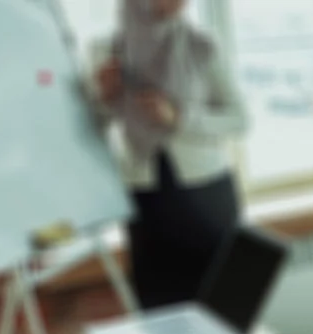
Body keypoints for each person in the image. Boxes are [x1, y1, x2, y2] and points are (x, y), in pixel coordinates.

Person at [94, 0, 248, 309]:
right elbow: (92, 126)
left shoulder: (201, 45)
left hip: (207, 194)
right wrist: (104, 97)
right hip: (146, 197)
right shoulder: (106, 49)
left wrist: (179, 118)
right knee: (159, 310)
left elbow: (239, 119)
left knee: (224, 305)